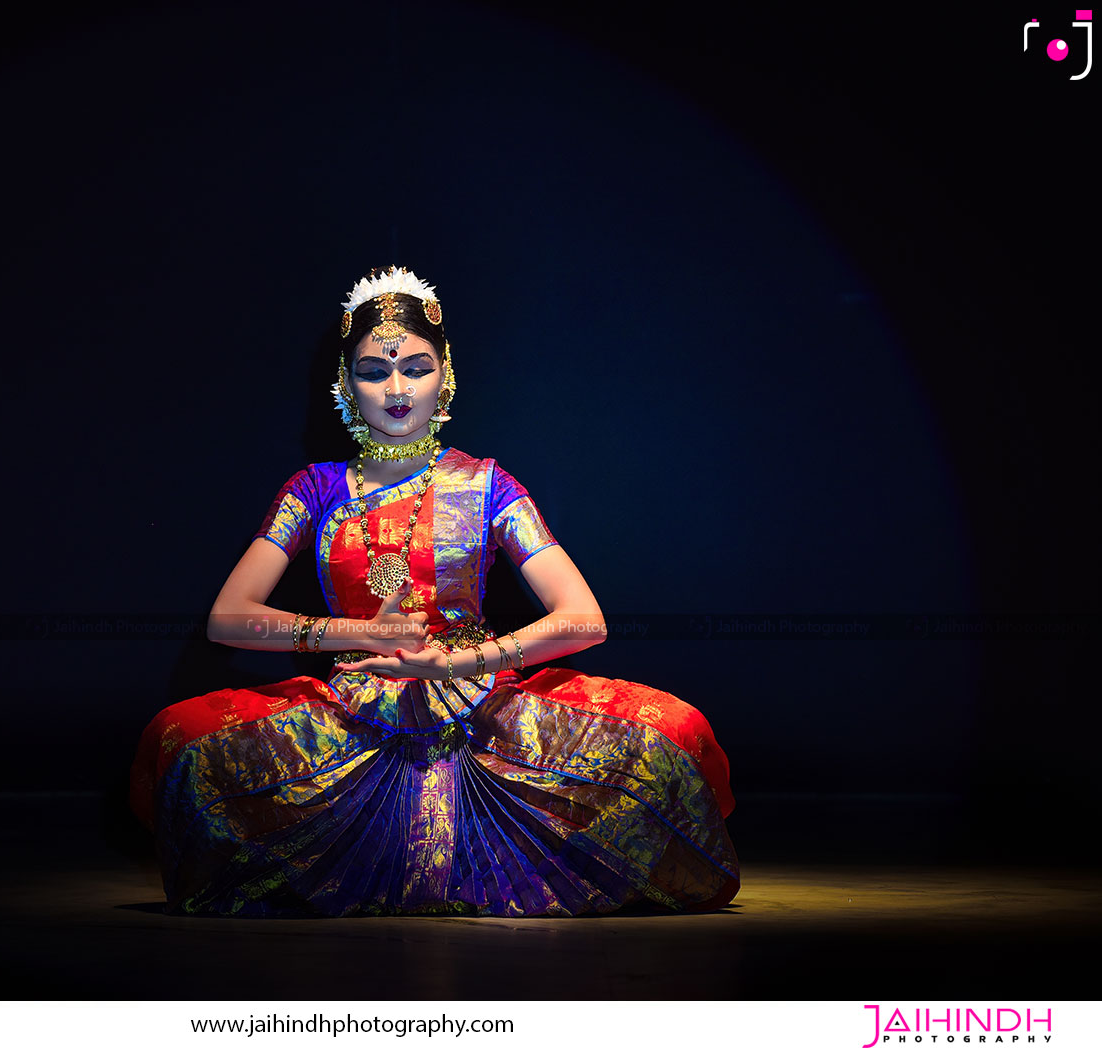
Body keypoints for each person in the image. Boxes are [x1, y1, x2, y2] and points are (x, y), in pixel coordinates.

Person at [128, 266, 738, 917]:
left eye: (416, 367)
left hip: (480, 704)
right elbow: (228, 617)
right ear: (345, 382)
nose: (396, 388)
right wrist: (359, 633)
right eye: (373, 370)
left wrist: (466, 660)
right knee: (182, 742)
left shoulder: (488, 485)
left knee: (673, 734)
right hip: (353, 715)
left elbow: (584, 618)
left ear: (445, 373)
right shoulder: (316, 490)